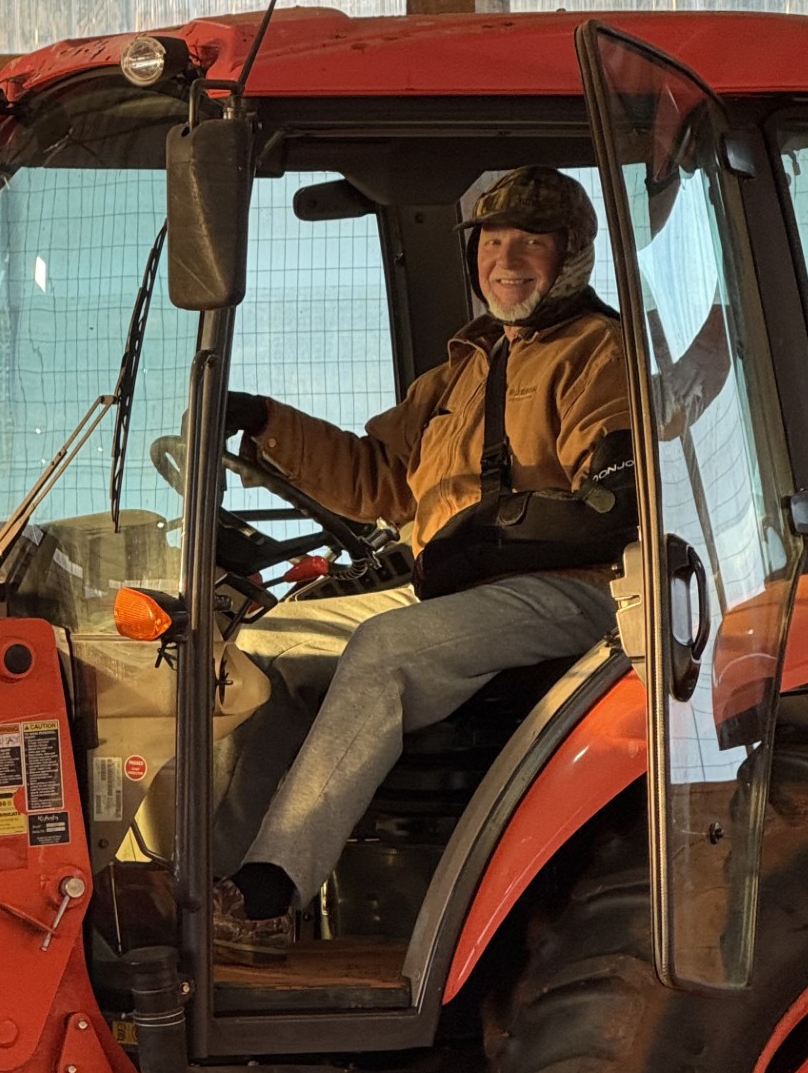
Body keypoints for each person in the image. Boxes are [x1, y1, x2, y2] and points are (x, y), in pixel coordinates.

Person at [212, 165, 634, 960]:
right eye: (494, 241)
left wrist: (492, 532)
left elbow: (611, 501)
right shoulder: (460, 371)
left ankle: (272, 892)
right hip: (454, 588)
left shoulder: (597, 353)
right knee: (265, 648)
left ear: (570, 254)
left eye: (531, 243)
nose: (507, 260)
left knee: (387, 648)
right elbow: (380, 480)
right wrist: (264, 421)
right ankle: (216, 889)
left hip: (567, 590)